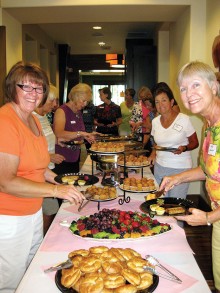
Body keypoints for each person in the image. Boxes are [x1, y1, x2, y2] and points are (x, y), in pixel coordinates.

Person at [0, 61, 84, 293]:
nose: (33, 94)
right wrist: (56, 191)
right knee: (10, 281)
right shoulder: (5, 122)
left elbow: (38, 166)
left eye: (38, 88)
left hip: (33, 211)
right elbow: (6, 181)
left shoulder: (34, 119)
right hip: (8, 218)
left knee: (31, 269)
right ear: (11, 88)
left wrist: (63, 182)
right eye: (26, 87)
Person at [159, 61, 220, 293]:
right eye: (183, 89)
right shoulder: (209, 125)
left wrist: (207, 218)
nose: (189, 94)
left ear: (213, 86)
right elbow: (207, 169)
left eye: (196, 85)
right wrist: (178, 178)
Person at [148, 81, 199, 199]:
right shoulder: (155, 122)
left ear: (171, 102)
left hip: (180, 168)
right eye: (157, 102)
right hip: (160, 167)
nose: (160, 105)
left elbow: (195, 142)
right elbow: (156, 143)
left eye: (164, 100)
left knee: (175, 204)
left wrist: (184, 148)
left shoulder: (184, 119)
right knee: (160, 201)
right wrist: (152, 155)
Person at [33, 84, 65, 235]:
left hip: (48, 169)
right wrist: (49, 156)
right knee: (48, 210)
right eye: (52, 100)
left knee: (50, 210)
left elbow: (46, 139)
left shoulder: (44, 116)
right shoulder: (32, 117)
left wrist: (57, 142)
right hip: (39, 173)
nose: (55, 104)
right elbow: (30, 150)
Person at [53, 83, 95, 174]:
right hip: (62, 158)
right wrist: (81, 133)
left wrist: (86, 136)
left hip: (75, 157)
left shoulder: (78, 112)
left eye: (87, 102)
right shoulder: (62, 111)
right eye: (83, 101)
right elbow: (58, 134)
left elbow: (78, 133)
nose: (85, 104)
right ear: (75, 97)